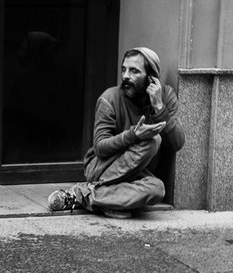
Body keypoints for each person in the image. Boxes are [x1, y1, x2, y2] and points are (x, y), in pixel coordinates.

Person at [48, 47, 185, 218]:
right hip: (101, 167)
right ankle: (110, 199)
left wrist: (158, 106)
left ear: (151, 78)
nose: (126, 76)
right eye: (124, 69)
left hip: (137, 172)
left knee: (157, 189)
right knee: (153, 141)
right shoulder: (109, 98)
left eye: (134, 71)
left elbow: (177, 143)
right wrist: (133, 135)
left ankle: (83, 195)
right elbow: (99, 148)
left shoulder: (165, 97)